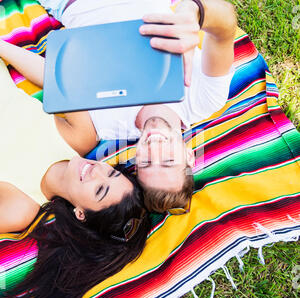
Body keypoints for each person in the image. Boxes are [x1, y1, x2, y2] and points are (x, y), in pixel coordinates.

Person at [0, 0, 237, 212]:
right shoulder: (204, 100)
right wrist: (194, 10)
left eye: (146, 162)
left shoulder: (106, 126)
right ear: (188, 155)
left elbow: (58, 79)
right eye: (167, 160)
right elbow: (226, 25)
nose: (155, 148)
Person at [0, 156, 150, 298]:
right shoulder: (82, 137)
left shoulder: (18, 211)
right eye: (111, 173)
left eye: (99, 190)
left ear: (81, 214)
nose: (96, 170)